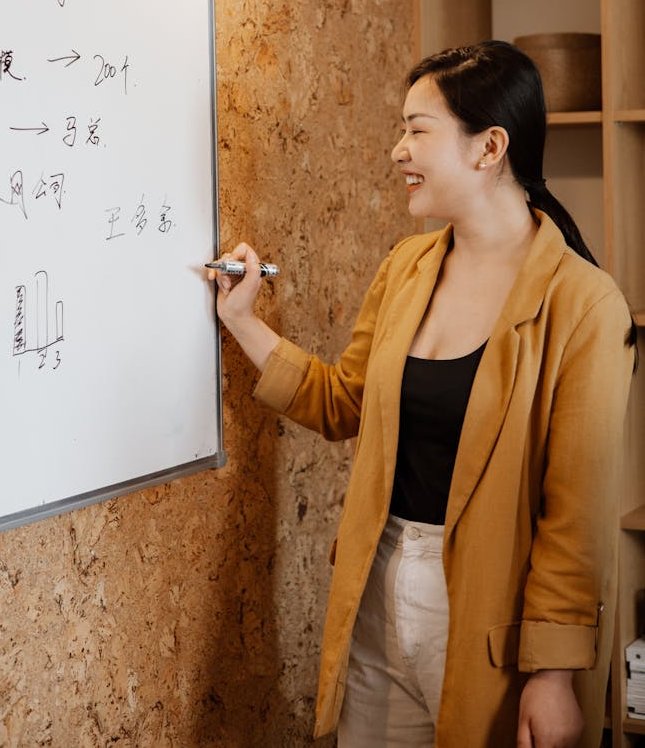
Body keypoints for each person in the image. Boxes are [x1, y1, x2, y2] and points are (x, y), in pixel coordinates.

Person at [207, 41, 637, 748]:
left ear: (489, 147)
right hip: (378, 587)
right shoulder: (407, 267)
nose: (398, 149)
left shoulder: (585, 305)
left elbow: (576, 512)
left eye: (417, 129)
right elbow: (344, 401)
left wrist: (554, 673)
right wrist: (243, 320)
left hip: (490, 607)